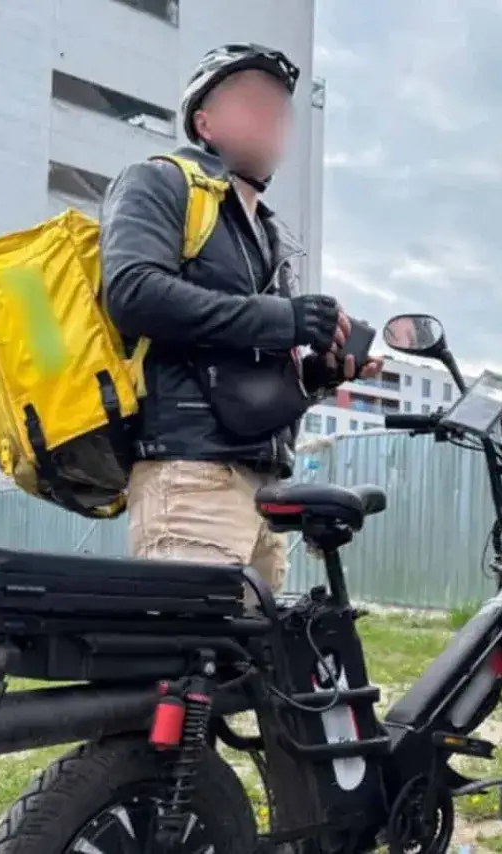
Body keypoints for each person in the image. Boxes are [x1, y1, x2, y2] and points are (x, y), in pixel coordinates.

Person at [100, 43, 381, 598]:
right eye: (253, 101)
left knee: (251, 677)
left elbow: (245, 359)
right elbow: (132, 292)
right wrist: (285, 319)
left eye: (281, 107)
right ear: (204, 123)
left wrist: (321, 372)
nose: (272, 115)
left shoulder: (269, 236)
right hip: (190, 475)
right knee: (188, 670)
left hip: (262, 484)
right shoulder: (161, 182)